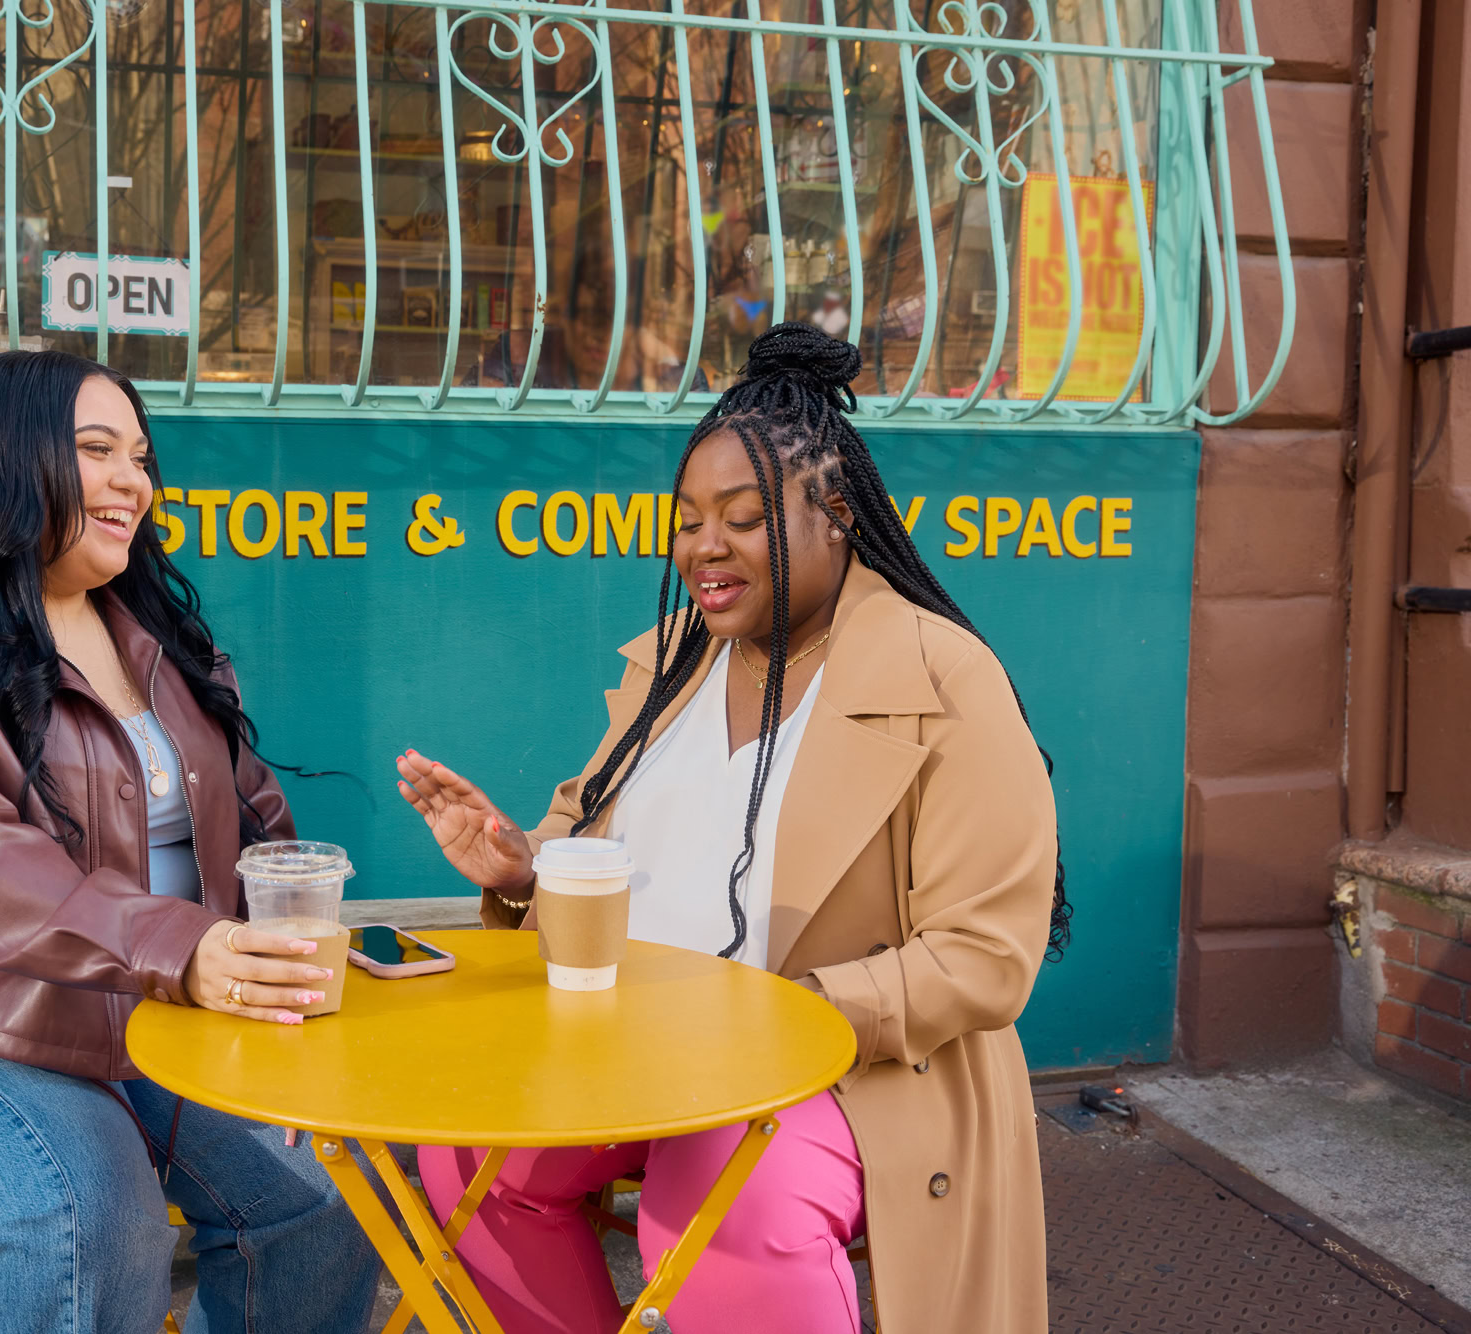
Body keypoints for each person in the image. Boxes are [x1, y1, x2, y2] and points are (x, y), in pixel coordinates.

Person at [395, 323, 1064, 1334]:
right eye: (686, 520)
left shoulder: (942, 677)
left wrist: (784, 1016)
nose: (702, 546)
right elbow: (588, 823)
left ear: (835, 512)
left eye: (742, 519)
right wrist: (525, 870)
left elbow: (984, 953)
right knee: (468, 1153)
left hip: (852, 1069)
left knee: (719, 1203)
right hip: (641, 1044)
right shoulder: (668, 660)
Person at [0, 350, 380, 1334]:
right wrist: (183, 948)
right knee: (76, 1219)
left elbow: (251, 811)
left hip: (148, 1018)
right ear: (5, 460)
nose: (132, 481)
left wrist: (280, 935)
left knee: (329, 1204)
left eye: (139, 456)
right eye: (96, 450)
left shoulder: (149, 629)